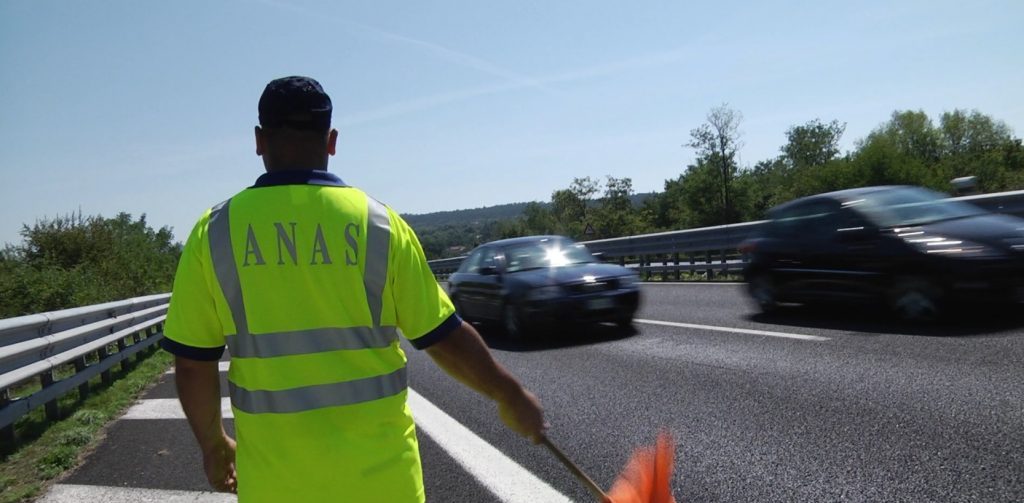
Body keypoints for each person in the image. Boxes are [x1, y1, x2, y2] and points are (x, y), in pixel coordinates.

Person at [160, 76, 546, 502]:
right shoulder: (380, 225)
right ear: (332, 140)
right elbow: (444, 338)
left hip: (277, 487)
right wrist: (508, 393)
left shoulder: (214, 233)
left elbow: (194, 364)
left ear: (258, 140)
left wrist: (214, 447)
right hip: (384, 485)